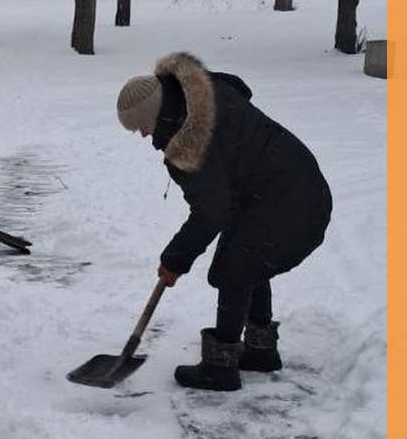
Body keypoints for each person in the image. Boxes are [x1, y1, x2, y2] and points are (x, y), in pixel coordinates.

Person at [116, 52, 332, 391]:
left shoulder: (192, 143)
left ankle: (220, 367)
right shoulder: (202, 92)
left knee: (235, 267)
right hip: (294, 184)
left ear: (157, 115)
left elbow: (210, 213)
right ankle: (260, 351)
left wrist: (175, 259)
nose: (144, 135)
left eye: (142, 126)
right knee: (251, 257)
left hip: (290, 201)